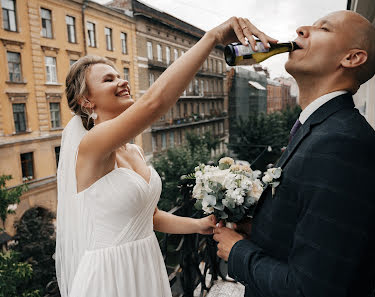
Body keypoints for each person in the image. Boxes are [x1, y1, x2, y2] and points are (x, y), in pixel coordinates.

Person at [55, 17, 276, 297]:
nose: (122, 82)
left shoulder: (133, 150)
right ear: (87, 101)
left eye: (120, 75)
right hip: (110, 275)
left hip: (145, 263)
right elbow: (154, 103)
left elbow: (151, 216)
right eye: (109, 79)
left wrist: (200, 225)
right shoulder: (91, 145)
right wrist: (212, 38)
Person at [213, 10, 375, 297]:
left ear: (352, 58)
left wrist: (238, 252)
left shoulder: (342, 143)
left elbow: (312, 289)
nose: (301, 30)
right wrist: (257, 230)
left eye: (324, 28)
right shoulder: (322, 128)